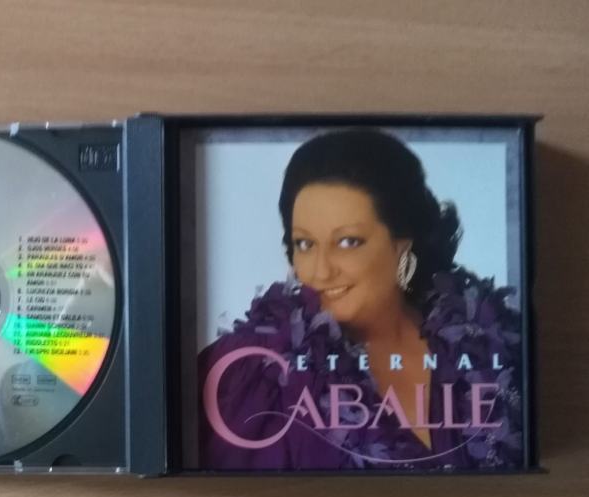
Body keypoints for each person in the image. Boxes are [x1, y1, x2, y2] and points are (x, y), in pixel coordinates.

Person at [198, 129, 523, 471]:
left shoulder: (493, 341)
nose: (321, 271)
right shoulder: (252, 371)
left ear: (401, 244)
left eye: (348, 241)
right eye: (305, 244)